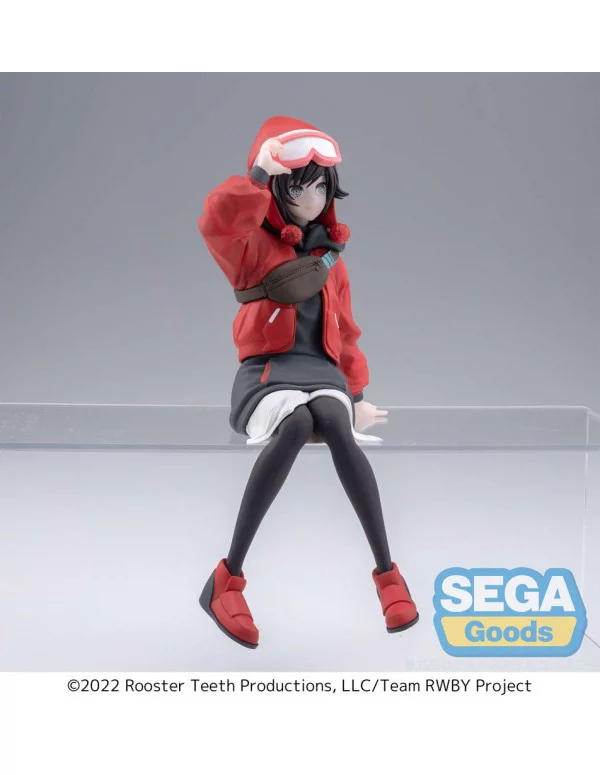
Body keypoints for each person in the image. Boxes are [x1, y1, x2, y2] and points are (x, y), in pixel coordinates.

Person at [197, 115, 419, 648]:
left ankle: (387, 573)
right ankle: (227, 578)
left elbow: (347, 330)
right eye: (298, 186)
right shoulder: (251, 248)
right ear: (278, 189)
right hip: (267, 371)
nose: (312, 198)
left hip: (321, 370)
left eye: (321, 186)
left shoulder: (330, 260)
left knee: (335, 423)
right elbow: (218, 221)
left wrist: (357, 394)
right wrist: (257, 174)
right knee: (295, 426)